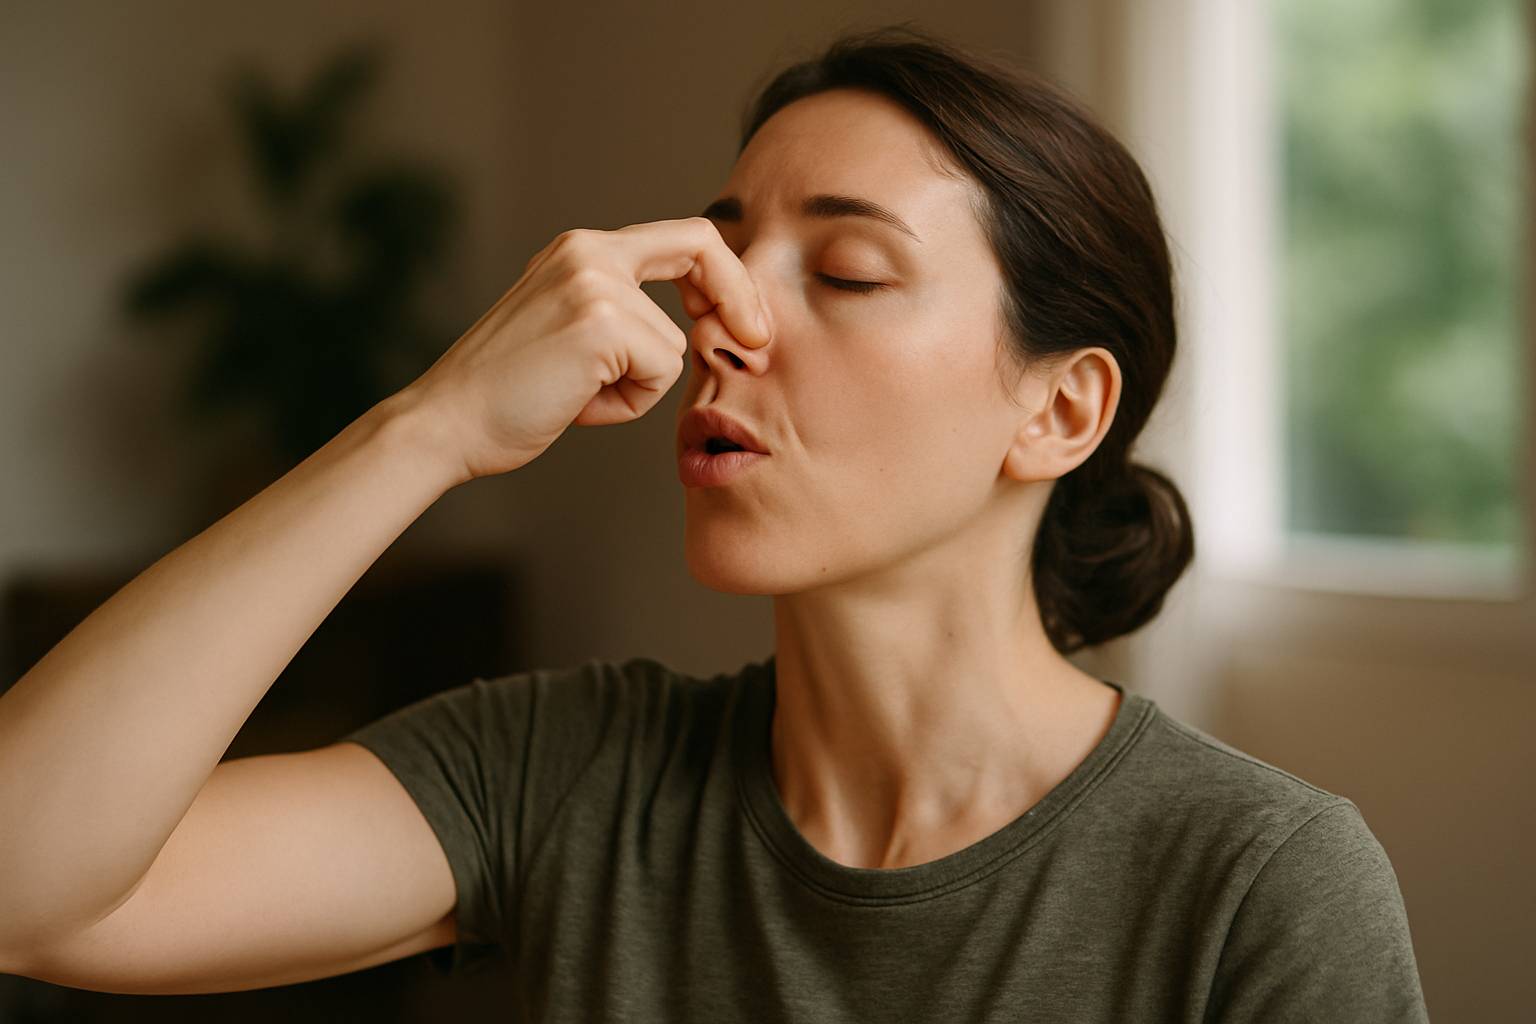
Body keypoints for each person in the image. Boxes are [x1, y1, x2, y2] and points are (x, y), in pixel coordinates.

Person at [0, 23, 1429, 1022]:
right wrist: (426, 429)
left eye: (851, 272)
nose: (727, 317)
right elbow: (28, 890)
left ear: (1058, 412)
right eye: (728, 251)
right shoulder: (562, 774)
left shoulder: (1258, 879)